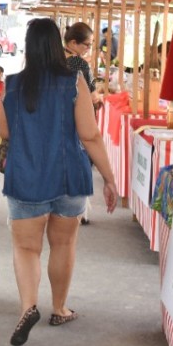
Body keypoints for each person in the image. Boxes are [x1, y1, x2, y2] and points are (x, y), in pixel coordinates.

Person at [0, 19, 118, 346]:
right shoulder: (74, 82)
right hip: (68, 176)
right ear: (56, 44)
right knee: (63, 245)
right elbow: (90, 135)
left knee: (26, 248)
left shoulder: (12, 84)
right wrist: (109, 179)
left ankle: (28, 308)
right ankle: (60, 308)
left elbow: (4, 132)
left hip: (26, 176)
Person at [64, 22, 100, 225]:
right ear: (73, 43)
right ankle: (80, 211)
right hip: (79, 120)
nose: (88, 49)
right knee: (81, 164)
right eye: (87, 45)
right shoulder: (80, 65)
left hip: (58, 120)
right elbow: (93, 96)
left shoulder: (53, 59)